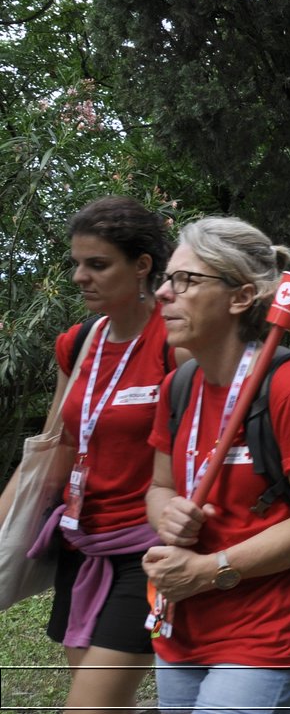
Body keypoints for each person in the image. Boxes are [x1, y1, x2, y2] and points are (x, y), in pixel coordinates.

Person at [142, 217, 290, 714]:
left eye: (186, 280)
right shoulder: (180, 385)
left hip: (266, 632)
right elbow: (159, 485)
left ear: (240, 297)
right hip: (182, 626)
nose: (165, 295)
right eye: (167, 280)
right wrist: (166, 512)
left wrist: (208, 570)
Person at [0, 198, 175, 714]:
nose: (80, 277)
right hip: (81, 544)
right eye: (77, 263)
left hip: (147, 549)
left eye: (97, 265)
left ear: (141, 266)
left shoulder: (175, 339)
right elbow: (57, 448)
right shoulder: (77, 344)